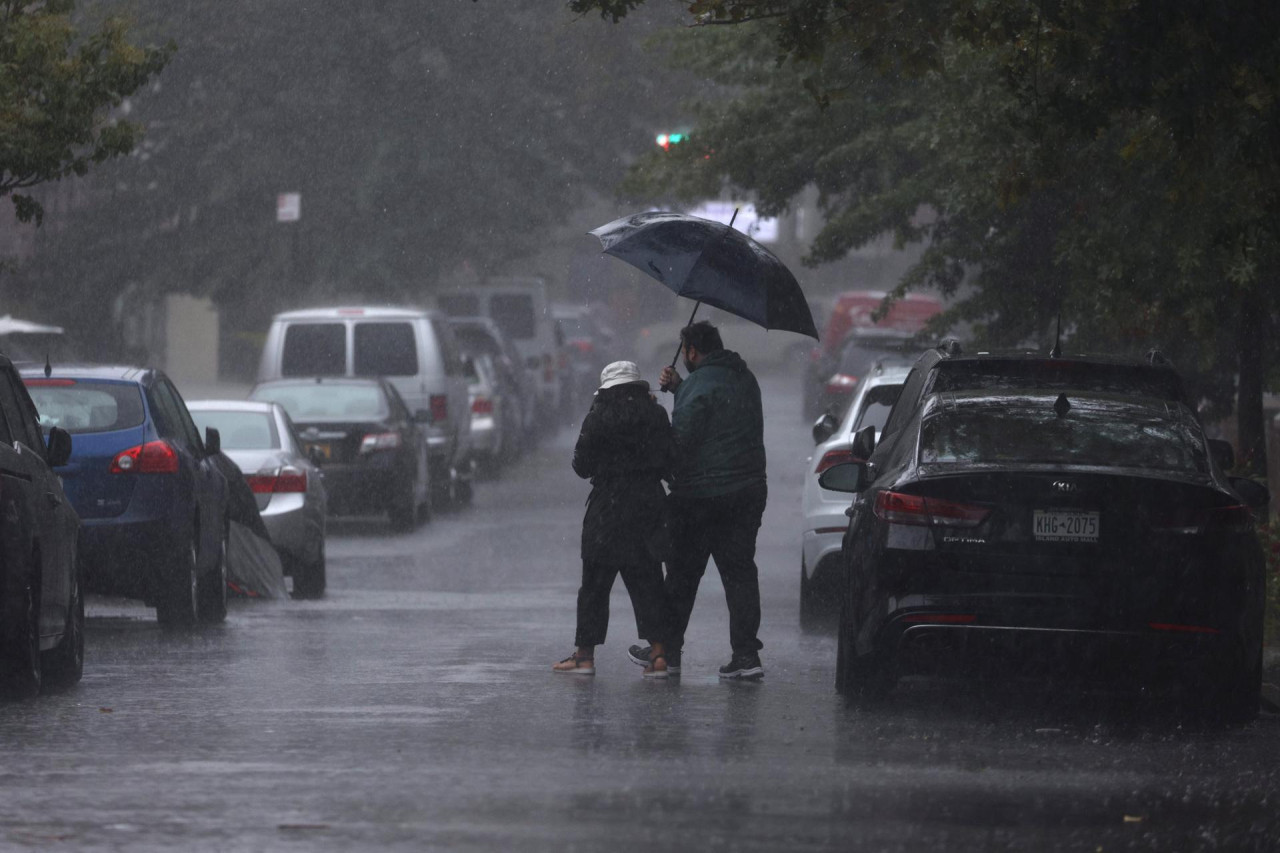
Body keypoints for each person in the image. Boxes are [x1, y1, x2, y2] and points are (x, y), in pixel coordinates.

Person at [629, 320, 767, 680]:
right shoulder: (745, 378)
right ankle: (746, 656)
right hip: (747, 493)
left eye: (686, 353)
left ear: (691, 351)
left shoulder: (699, 386)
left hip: (701, 499)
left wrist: (657, 419)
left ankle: (669, 653)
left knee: (682, 576)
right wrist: (682, 388)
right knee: (739, 575)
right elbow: (720, 414)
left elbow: (682, 444)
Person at [553, 360, 677, 678]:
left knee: (595, 585)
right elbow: (670, 462)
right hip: (648, 507)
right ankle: (660, 656)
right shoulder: (656, 415)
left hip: (606, 510)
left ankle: (585, 658)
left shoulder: (598, 417)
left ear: (606, 389)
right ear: (638, 386)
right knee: (648, 581)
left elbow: (582, 467)